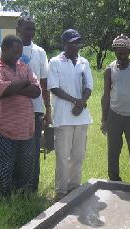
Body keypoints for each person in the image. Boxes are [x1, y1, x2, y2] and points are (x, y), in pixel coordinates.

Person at [0, 16, 50, 193]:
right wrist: (0, 88)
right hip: (4, 121)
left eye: (33, 29)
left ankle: (27, 192)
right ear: (18, 29)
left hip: (30, 116)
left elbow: (38, 88)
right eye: (27, 29)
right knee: (5, 159)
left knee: (28, 156)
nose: (31, 32)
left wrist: (10, 86)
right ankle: (5, 195)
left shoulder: (36, 55)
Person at [47, 29, 93, 201]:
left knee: (78, 154)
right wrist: (76, 101)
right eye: (72, 42)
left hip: (81, 116)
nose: (75, 45)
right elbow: (54, 87)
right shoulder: (55, 62)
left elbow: (89, 85)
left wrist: (82, 101)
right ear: (64, 44)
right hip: (64, 116)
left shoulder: (84, 62)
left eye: (77, 42)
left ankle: (74, 187)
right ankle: (61, 190)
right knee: (63, 155)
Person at [100, 34, 130, 183]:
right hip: (114, 115)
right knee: (113, 150)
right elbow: (105, 96)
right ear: (114, 51)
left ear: (129, 51)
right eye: (118, 52)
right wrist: (104, 119)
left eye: (124, 52)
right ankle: (114, 180)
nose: (121, 55)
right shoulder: (109, 69)